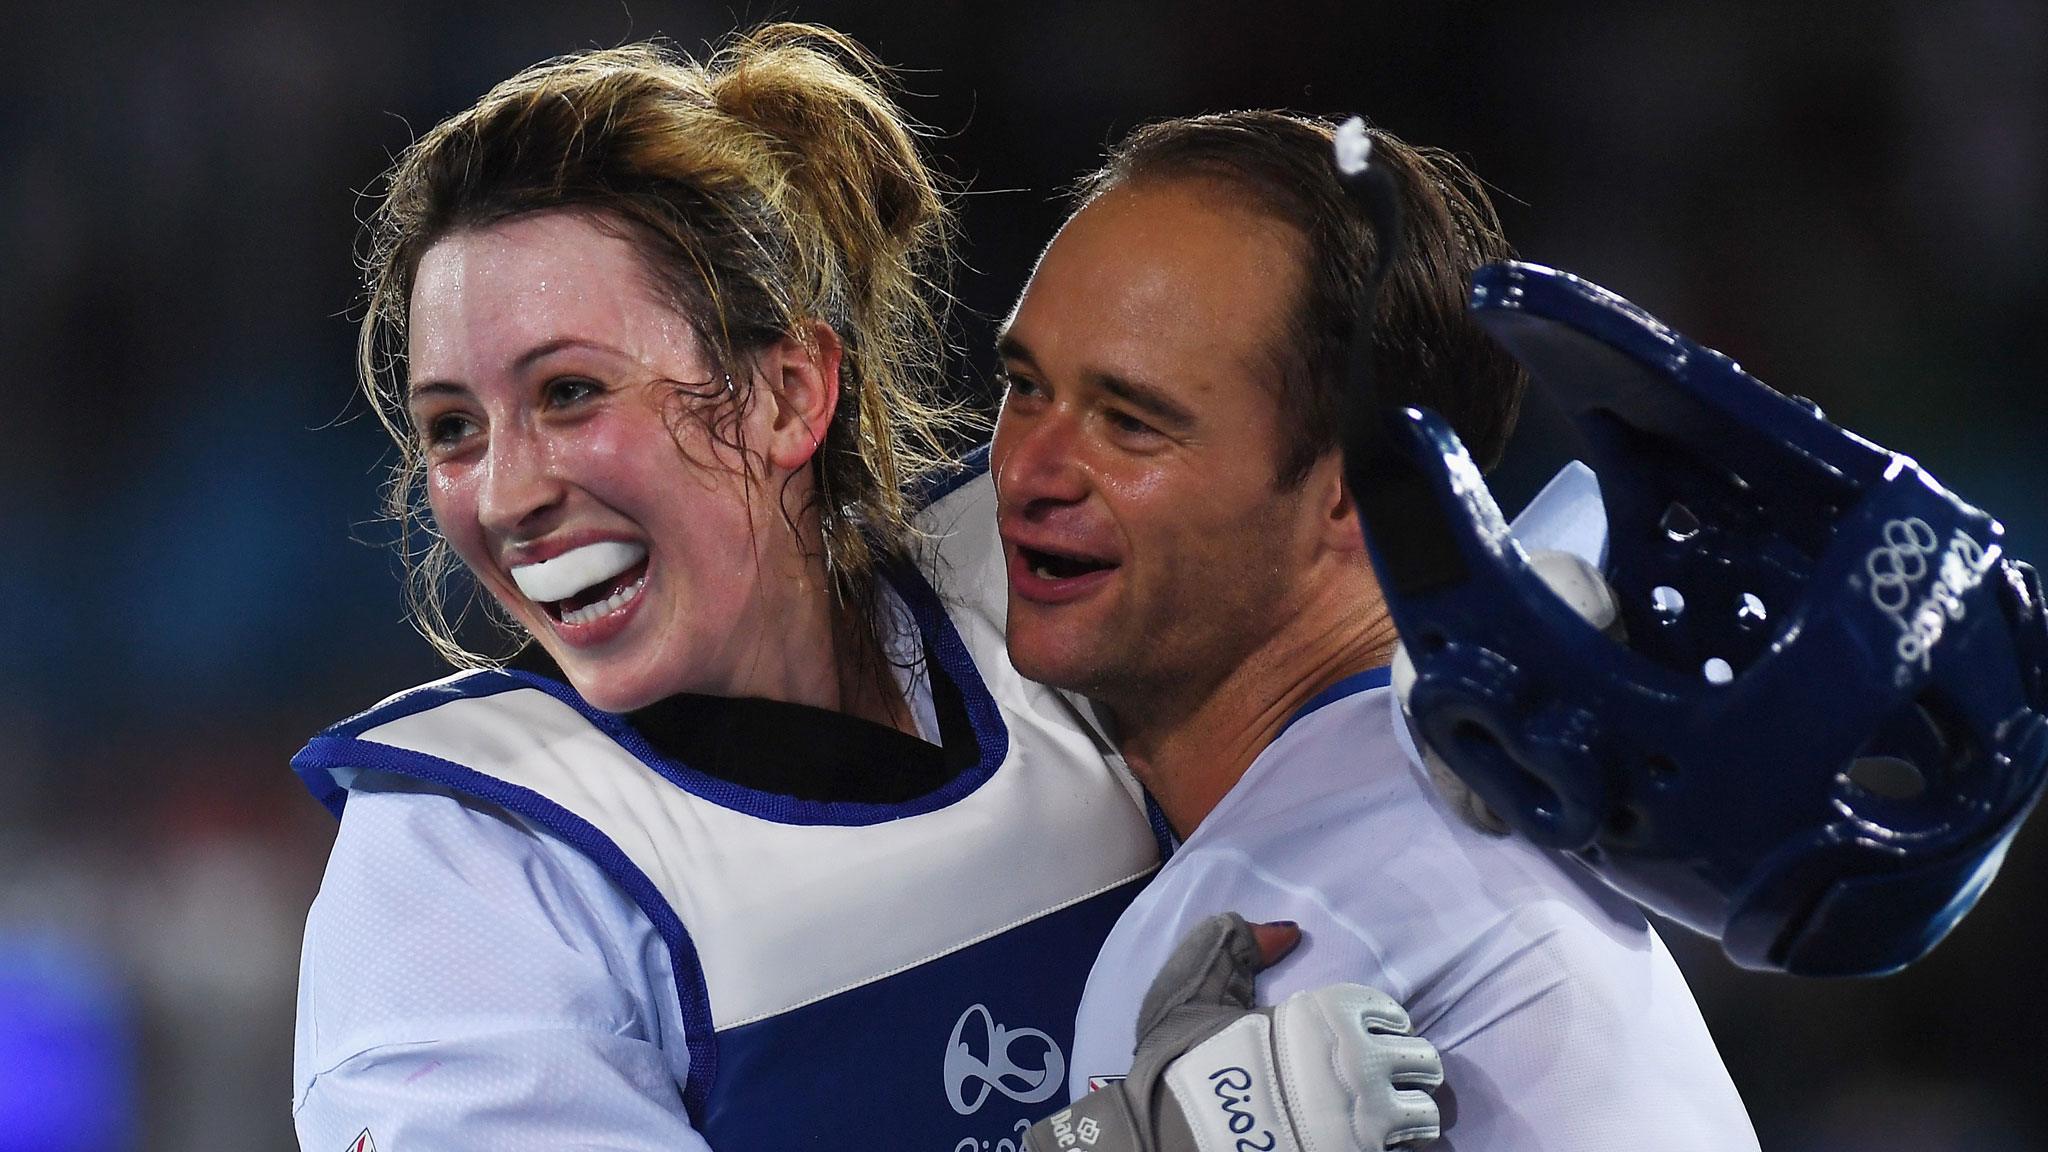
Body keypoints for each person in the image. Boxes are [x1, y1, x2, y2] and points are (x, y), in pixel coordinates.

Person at [291, 27, 1437, 1152]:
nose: (503, 495)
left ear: (788, 394)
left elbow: (1349, 627)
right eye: (453, 428)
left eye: (571, 393)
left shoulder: (1041, 581)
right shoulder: (468, 866)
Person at [988, 110, 1762, 1149]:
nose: (1028, 471)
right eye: (1022, 387)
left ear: (1357, 492)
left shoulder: (1259, 916)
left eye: (1130, 422)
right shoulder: (1451, 786)